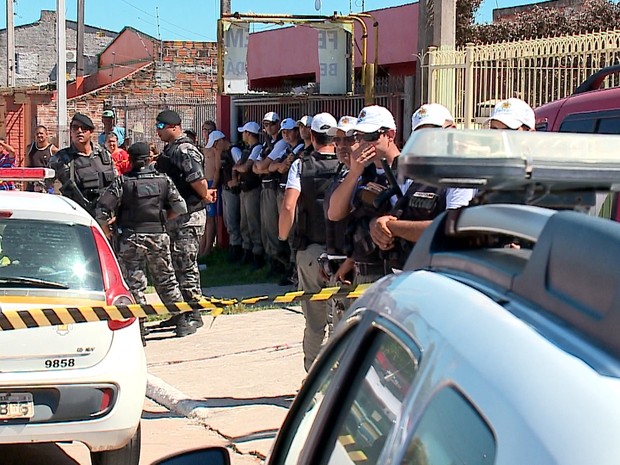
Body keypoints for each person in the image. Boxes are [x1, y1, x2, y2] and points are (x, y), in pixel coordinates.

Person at [95, 142, 194, 340]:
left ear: (130, 160)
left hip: (131, 237)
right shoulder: (164, 181)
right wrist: (165, 217)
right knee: (166, 279)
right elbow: (181, 207)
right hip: (158, 235)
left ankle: (139, 326)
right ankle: (182, 319)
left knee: (134, 284)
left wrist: (107, 232)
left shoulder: (123, 182)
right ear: (149, 159)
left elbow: (101, 212)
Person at [367, 103, 475, 271]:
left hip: (440, 275)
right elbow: (389, 215)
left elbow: (451, 230)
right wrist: (376, 226)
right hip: (404, 271)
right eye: (420, 134)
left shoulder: (461, 176)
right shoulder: (411, 173)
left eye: (433, 131)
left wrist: (393, 227)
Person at [278, 112, 340, 372]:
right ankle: (341, 376)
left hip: (310, 250)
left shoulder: (300, 166)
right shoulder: (346, 166)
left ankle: (312, 375)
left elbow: (289, 205)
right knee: (343, 318)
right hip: (342, 252)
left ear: (312, 136)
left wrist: (283, 236)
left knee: (314, 321)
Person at [154, 109, 217, 328]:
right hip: (175, 215)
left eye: (161, 126)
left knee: (185, 264)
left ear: (174, 126)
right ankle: (180, 311)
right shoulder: (171, 150)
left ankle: (194, 312)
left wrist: (205, 194)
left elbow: (198, 179)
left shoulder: (184, 149)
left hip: (188, 216)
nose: (158, 131)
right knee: (174, 264)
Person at [49, 113, 116, 217]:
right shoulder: (61, 158)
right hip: (76, 217)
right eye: (75, 127)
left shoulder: (104, 155)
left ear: (91, 132)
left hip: (106, 217)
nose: (79, 131)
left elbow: (116, 186)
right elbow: (42, 186)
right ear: (70, 132)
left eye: (84, 128)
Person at [254, 112, 289, 274]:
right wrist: (265, 167)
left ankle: (279, 263)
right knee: (266, 227)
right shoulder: (268, 143)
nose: (269, 128)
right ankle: (273, 260)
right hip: (265, 185)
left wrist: (265, 167)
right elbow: (256, 167)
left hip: (274, 186)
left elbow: (262, 166)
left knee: (273, 226)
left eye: (272, 124)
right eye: (266, 125)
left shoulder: (281, 143)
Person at [233, 122, 264, 268]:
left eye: (244, 132)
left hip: (252, 189)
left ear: (249, 134)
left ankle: (257, 253)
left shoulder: (257, 148)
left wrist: (238, 169)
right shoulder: (248, 149)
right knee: (244, 223)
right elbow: (239, 166)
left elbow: (245, 167)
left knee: (253, 222)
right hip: (245, 189)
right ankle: (247, 250)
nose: (242, 135)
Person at [213, 130, 243, 263]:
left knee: (232, 221)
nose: (215, 148)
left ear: (220, 141)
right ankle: (233, 248)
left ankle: (236, 249)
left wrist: (235, 179)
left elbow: (241, 167)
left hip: (233, 191)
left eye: (215, 145)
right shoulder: (224, 153)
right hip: (225, 189)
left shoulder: (234, 151)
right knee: (227, 221)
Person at [199, 128, 222, 258]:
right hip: (205, 181)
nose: (206, 132)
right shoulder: (205, 148)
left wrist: (212, 186)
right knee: (206, 218)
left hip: (211, 183)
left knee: (211, 218)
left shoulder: (215, 149)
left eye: (209, 129)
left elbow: (217, 169)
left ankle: (208, 249)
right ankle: (202, 248)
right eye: (204, 129)